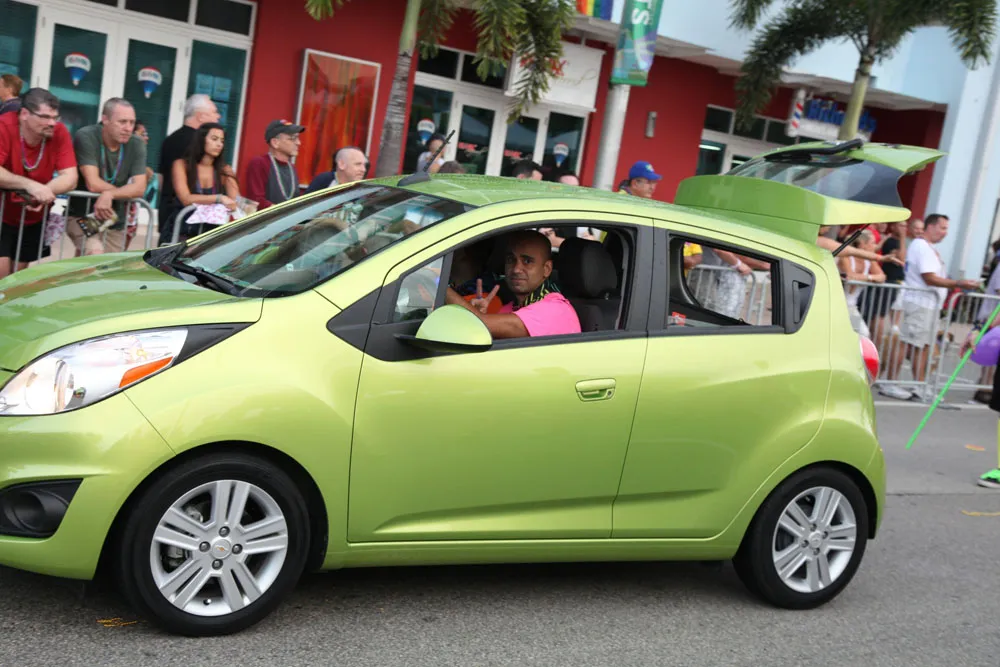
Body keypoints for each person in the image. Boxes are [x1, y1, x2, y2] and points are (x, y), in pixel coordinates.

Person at [884, 214, 979, 401]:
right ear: (931, 227)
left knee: (923, 347)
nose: (945, 233)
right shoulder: (921, 246)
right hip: (919, 303)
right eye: (942, 228)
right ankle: (890, 383)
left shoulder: (928, 248)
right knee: (906, 343)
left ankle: (920, 385)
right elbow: (929, 278)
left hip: (928, 304)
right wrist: (959, 283)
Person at [446, 230, 581, 338]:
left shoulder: (555, 309)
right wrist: (476, 318)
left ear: (546, 269)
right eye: (511, 260)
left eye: (527, 261)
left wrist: (439, 285)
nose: (516, 269)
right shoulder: (509, 308)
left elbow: (483, 322)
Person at [0, 88, 77, 278]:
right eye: (45, 117)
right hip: (2, 211)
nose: (52, 123)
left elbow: (70, 177)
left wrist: (44, 191)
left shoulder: (59, 132)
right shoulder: (4, 126)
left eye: (55, 117)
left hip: (32, 216)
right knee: (2, 274)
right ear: (24, 114)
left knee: (15, 280)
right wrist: (30, 185)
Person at [66, 98, 147, 256]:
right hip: (83, 215)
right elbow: (93, 183)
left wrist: (110, 194)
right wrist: (122, 192)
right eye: (122, 122)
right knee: (95, 253)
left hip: (115, 219)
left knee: (106, 267)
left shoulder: (136, 143)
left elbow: (139, 188)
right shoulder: (87, 135)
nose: (128, 128)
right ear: (105, 119)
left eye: (131, 122)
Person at [158, 94, 220, 245]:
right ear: (201, 116)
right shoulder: (197, 146)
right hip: (189, 221)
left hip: (169, 212)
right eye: (214, 112)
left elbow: (161, 178)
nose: (218, 116)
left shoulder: (170, 139)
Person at [171, 122, 240, 241]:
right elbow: (186, 199)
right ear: (201, 140)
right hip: (182, 232)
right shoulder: (181, 165)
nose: (219, 144)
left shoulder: (224, 170)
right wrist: (219, 198)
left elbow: (236, 202)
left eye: (222, 141)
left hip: (210, 236)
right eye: (214, 139)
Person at [245, 119, 304, 209]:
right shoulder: (259, 163)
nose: (298, 143)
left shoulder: (291, 168)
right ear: (275, 142)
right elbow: (256, 200)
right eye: (293, 138)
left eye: (298, 138)